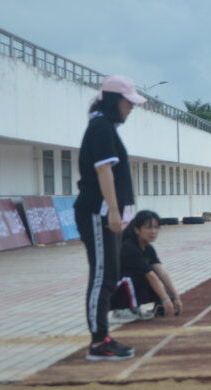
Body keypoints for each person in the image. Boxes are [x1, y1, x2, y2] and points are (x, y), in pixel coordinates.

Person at [74, 75, 145, 361]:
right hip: (98, 212)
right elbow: (104, 172)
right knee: (102, 276)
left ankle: (103, 336)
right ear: (115, 100)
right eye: (129, 103)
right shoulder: (100, 127)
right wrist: (113, 211)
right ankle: (97, 341)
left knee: (111, 275)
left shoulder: (106, 127)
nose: (131, 108)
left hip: (107, 213)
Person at [110, 210, 183, 321]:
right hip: (113, 289)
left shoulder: (148, 248)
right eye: (148, 228)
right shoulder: (128, 247)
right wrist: (165, 300)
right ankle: (120, 310)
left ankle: (134, 308)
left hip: (126, 284)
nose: (153, 231)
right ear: (137, 230)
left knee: (157, 277)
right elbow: (150, 275)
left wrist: (175, 297)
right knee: (146, 277)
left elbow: (161, 272)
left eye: (156, 227)